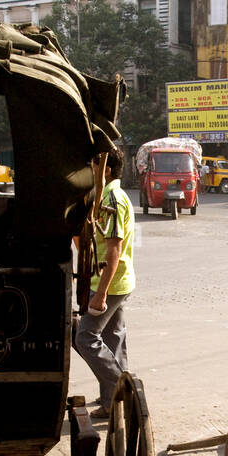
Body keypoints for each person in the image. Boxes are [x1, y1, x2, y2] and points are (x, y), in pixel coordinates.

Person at [74, 147, 134, 418]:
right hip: (117, 280)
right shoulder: (107, 195)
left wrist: (101, 293)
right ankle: (113, 403)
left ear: (106, 169)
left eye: (94, 164)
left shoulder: (112, 197)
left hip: (109, 282)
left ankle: (124, 390)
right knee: (113, 339)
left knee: (85, 337)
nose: (90, 169)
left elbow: (114, 248)